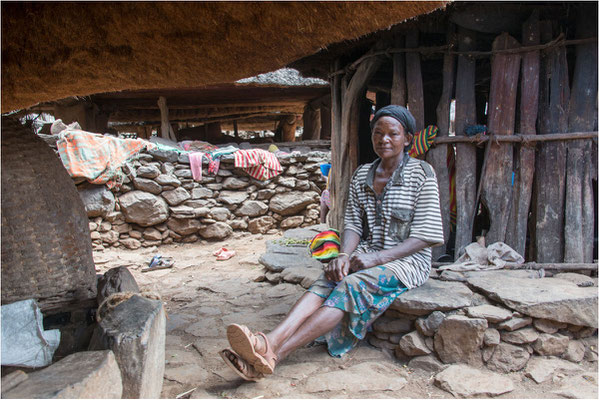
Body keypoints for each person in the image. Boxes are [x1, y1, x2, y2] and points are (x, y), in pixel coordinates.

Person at [219, 105, 444, 381]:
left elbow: (426, 235)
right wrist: (344, 255)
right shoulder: (363, 174)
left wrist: (378, 258)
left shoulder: (422, 174)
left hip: (405, 262)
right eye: (378, 133)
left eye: (393, 134)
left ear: (408, 139)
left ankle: (276, 352)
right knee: (330, 276)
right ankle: (269, 342)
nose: (384, 139)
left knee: (350, 284)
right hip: (367, 253)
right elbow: (352, 224)